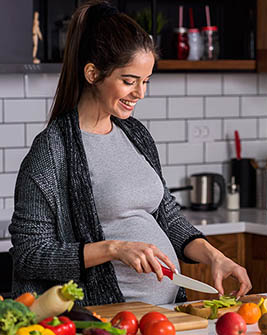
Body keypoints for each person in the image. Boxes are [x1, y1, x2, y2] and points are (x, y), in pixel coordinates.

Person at [9, 0, 251, 306]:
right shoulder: (52, 150)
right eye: (129, 81)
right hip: (104, 316)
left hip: (165, 311)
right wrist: (114, 249)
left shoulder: (135, 134)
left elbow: (168, 217)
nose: (140, 93)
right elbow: (30, 255)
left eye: (146, 81)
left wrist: (214, 256)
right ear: (93, 74)